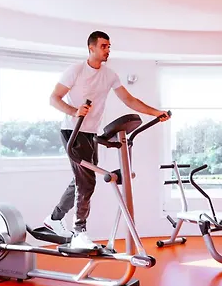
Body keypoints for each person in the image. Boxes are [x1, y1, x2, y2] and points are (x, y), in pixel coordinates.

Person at [44, 31, 170, 250]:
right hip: (72, 130)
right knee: (87, 181)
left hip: (90, 132)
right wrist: (74, 111)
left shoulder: (110, 75)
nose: (107, 50)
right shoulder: (76, 70)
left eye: (109, 46)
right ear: (91, 48)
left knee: (81, 179)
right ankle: (79, 231)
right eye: (103, 46)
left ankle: (54, 218)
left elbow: (129, 99)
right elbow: (53, 98)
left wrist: (155, 112)